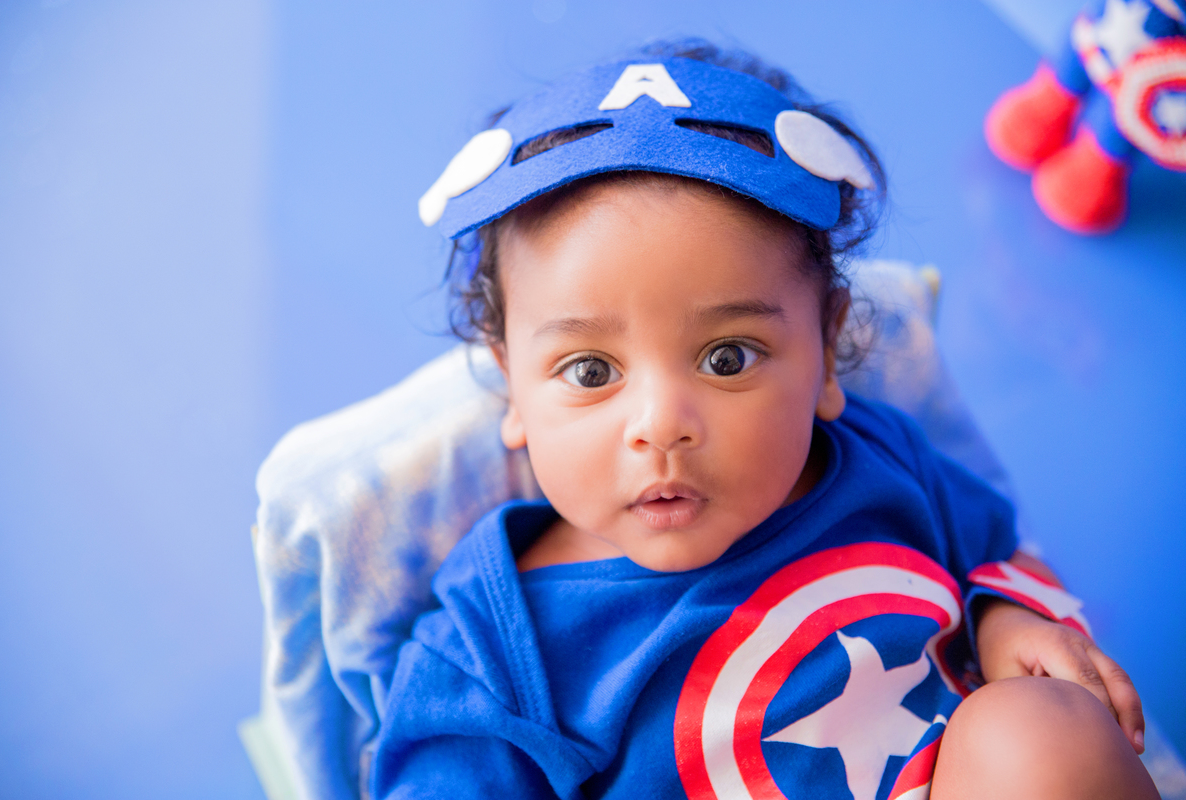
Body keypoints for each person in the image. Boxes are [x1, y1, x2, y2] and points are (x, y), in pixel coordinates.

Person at [372, 42, 1158, 799]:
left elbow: (995, 551)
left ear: (826, 348)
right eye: (590, 372)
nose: (661, 425)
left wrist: (1008, 619)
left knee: (1042, 731)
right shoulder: (490, 649)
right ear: (512, 385)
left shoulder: (882, 461)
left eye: (727, 358)